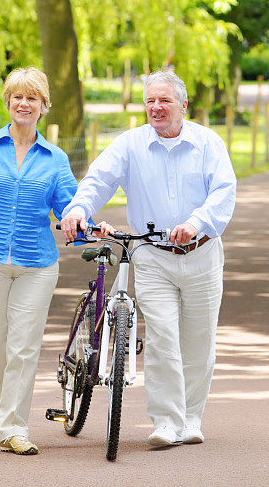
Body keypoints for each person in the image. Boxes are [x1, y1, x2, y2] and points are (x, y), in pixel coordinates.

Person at [60, 70, 236, 447]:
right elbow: (98, 181)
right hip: (152, 255)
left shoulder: (208, 143)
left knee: (199, 339)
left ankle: (191, 419)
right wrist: (78, 209)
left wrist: (195, 223)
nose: (156, 107)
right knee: (162, 335)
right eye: (151, 101)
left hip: (201, 253)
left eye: (165, 100)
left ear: (183, 105)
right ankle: (166, 422)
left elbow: (223, 192)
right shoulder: (130, 144)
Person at [0, 67, 79, 455]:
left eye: (32, 98)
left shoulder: (55, 158)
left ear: (44, 106)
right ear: (8, 102)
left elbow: (70, 208)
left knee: (24, 346)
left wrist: (85, 222)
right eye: (17, 97)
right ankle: (6, 415)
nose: (24, 104)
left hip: (37, 264)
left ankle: (14, 428)